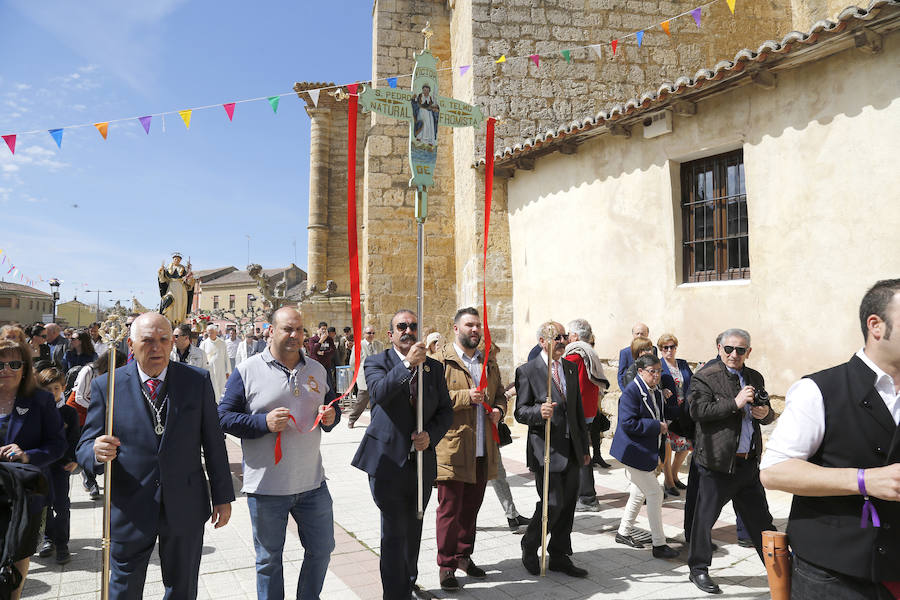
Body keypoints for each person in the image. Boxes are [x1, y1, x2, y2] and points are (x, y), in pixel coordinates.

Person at [76, 313, 234, 600]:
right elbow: (84, 446)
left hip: (185, 504)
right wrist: (96, 452)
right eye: (147, 341)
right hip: (130, 507)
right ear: (131, 344)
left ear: (173, 342)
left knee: (182, 587)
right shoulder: (107, 386)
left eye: (164, 340)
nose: (156, 348)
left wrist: (223, 495)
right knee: (123, 587)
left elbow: (214, 442)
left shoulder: (196, 381)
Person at [760, 279, 900, 599]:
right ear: (876, 326)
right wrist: (864, 480)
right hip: (834, 575)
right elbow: (774, 470)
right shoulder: (819, 390)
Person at [219, 307, 339, 600]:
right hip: (266, 488)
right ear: (271, 331)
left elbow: (330, 412)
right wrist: (263, 422)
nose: (295, 335)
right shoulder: (247, 370)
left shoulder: (317, 369)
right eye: (287, 329)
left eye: (299, 329)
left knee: (322, 550)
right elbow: (222, 417)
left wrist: (330, 417)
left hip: (312, 484)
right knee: (269, 561)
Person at [351, 309, 453, 600]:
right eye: (402, 326)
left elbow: (445, 411)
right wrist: (408, 363)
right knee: (394, 532)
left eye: (413, 326)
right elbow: (381, 393)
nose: (408, 330)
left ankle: (408, 582)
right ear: (391, 334)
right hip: (387, 463)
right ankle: (395, 595)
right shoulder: (375, 362)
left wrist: (430, 435)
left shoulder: (434, 369)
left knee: (414, 527)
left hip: (420, 462)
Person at [686, 328, 776, 595]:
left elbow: (767, 413)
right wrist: (735, 403)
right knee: (704, 520)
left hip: (747, 463)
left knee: (762, 522)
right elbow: (697, 411)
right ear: (719, 348)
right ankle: (698, 570)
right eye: (729, 349)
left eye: (740, 350)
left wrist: (765, 413)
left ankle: (780, 570)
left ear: (748, 351)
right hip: (717, 463)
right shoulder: (705, 377)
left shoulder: (754, 376)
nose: (734, 354)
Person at [432, 308, 505, 591]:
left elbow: (499, 395)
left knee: (471, 508)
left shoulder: (489, 362)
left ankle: (463, 555)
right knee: (449, 509)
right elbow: (431, 400)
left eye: (477, 325)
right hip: (452, 447)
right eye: (469, 325)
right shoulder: (440, 361)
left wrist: (499, 409)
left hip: (482, 447)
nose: (474, 330)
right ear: (455, 329)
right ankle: (446, 566)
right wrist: (465, 396)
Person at [515, 321, 591, 578]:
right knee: (552, 502)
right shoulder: (528, 371)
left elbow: (577, 410)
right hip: (545, 449)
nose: (560, 341)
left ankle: (559, 554)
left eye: (562, 336)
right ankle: (530, 544)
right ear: (541, 341)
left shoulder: (569, 367)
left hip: (571, 447)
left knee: (568, 504)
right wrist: (539, 411)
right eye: (555, 337)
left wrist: (584, 446)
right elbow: (520, 411)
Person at [0, 335, 67, 600]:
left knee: (17, 556)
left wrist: (27, 455)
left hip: (25, 496)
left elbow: (57, 445)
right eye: (0, 364)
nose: (6, 370)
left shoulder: (40, 400)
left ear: (26, 367)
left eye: (14, 364)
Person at [610, 354, 680, 558]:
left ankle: (623, 532)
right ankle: (659, 545)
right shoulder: (631, 392)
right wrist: (656, 426)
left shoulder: (656, 391)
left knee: (638, 493)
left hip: (647, 450)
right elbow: (628, 424)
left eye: (659, 371)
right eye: (652, 372)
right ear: (640, 372)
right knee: (656, 493)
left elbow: (664, 412)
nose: (657, 375)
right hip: (632, 452)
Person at [35, 367, 80, 565]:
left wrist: (74, 459)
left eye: (56, 388)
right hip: (41, 466)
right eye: (47, 389)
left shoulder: (69, 413)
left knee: (61, 504)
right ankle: (48, 538)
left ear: (63, 388)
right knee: (44, 504)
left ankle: (62, 543)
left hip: (61, 466)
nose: (52, 393)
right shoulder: (35, 411)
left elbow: (75, 438)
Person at [564, 319, 609, 512]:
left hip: (578, 412)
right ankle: (583, 495)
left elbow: (575, 385)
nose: (565, 338)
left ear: (574, 336)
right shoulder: (589, 351)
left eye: (567, 334)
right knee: (581, 452)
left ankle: (587, 497)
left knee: (580, 454)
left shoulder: (575, 354)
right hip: (588, 410)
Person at [71, 350, 126, 501]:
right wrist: (99, 408)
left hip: (100, 412)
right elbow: (79, 396)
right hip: (80, 411)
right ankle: (89, 479)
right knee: (87, 444)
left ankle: (91, 478)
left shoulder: (114, 375)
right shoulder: (88, 370)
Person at [658, 333, 693, 496]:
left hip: (684, 411)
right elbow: (653, 384)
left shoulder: (683, 364)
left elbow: (692, 382)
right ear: (661, 349)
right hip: (668, 411)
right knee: (668, 447)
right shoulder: (659, 365)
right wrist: (662, 390)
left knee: (686, 445)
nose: (669, 350)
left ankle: (674, 474)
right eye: (666, 347)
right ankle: (669, 481)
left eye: (672, 347)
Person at [346, 325, 384, 428]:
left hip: (377, 377)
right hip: (364, 377)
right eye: (369, 333)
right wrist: (358, 374)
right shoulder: (358, 346)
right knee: (362, 400)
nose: (371, 335)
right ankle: (352, 419)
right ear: (364, 334)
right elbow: (352, 362)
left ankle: (375, 422)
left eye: (373, 333)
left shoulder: (379, 345)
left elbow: (383, 360)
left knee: (377, 400)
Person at [158, 252, 195, 326]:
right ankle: (168, 319)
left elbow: (189, 282)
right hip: (171, 287)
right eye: (175, 259)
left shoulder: (183, 268)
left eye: (178, 259)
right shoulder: (168, 268)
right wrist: (161, 271)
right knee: (168, 299)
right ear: (173, 259)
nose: (177, 261)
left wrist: (189, 274)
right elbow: (162, 279)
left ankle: (178, 321)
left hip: (181, 288)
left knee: (179, 304)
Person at [200, 324, 229, 401]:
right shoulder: (204, 343)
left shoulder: (222, 343)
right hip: (209, 370)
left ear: (216, 332)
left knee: (220, 388)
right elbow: (201, 357)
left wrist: (228, 371)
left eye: (211, 333)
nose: (209, 335)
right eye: (208, 333)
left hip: (220, 370)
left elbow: (226, 357)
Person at [617, 322, 650, 390]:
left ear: (647, 334)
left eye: (642, 333)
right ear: (633, 334)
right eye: (637, 333)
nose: (639, 336)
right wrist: (626, 392)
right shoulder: (625, 352)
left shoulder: (652, 350)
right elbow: (621, 376)